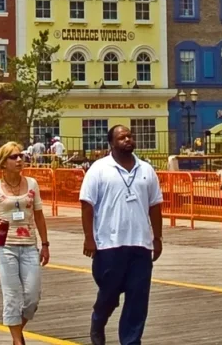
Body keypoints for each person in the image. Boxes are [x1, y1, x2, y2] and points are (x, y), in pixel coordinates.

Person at [80, 125, 163, 345]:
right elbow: (87, 205)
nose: (127, 139)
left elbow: (155, 205)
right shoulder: (99, 169)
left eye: (129, 136)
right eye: (121, 137)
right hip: (108, 244)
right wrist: (89, 237)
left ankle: (131, 340)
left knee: (138, 297)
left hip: (140, 244)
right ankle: (98, 319)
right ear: (112, 143)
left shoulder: (146, 169)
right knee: (110, 293)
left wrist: (158, 237)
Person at [0, 142, 50, 345]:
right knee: (12, 295)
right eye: (14, 157)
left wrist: (45, 244)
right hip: (6, 247)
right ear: (3, 163)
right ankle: (18, 341)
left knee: (32, 297)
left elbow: (39, 216)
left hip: (30, 244)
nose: (20, 159)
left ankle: (16, 333)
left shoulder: (32, 184)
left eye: (20, 155)